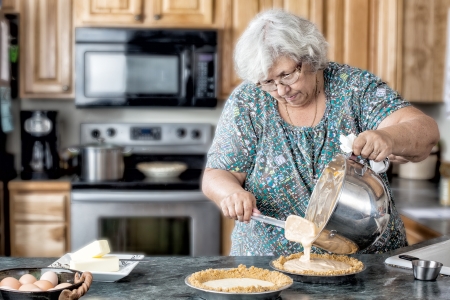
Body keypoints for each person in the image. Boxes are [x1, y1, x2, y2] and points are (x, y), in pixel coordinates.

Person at [202, 10, 440, 256]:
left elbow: (426, 131)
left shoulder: (353, 88)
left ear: (310, 56)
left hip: (366, 265)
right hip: (269, 267)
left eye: (287, 75)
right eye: (268, 82)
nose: (281, 90)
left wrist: (389, 138)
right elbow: (217, 173)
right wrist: (231, 194)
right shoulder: (249, 101)